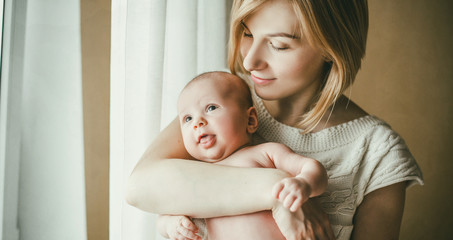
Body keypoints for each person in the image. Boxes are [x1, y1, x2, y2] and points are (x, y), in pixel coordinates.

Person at [126, 0, 424, 239]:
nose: (249, 61)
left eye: (279, 45)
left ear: (330, 48)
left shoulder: (378, 152)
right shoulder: (222, 101)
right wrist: (277, 191)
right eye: (247, 34)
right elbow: (140, 188)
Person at [156, 71, 328, 240]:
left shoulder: (265, 152)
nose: (198, 122)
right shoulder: (195, 174)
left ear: (251, 120)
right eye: (187, 119)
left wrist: (304, 183)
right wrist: (171, 224)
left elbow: (312, 167)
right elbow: (165, 212)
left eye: (211, 108)